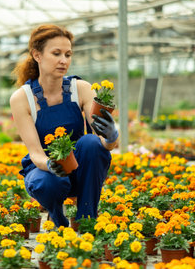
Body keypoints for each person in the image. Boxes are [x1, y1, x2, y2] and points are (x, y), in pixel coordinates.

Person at [10, 24, 119, 227]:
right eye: (56, 53)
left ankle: (87, 218)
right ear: (37, 55)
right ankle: (56, 213)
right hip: (44, 170)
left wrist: (111, 137)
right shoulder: (22, 98)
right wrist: (51, 165)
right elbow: (35, 153)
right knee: (49, 182)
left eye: (68, 54)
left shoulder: (82, 89)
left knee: (91, 143)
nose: (64, 60)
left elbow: (102, 144)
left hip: (79, 168)